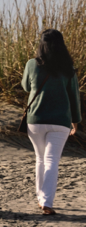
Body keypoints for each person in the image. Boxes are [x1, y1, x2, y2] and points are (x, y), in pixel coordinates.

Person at [21, 28, 81, 215]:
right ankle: (46, 201)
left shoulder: (32, 64)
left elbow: (25, 86)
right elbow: (74, 96)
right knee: (51, 160)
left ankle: (41, 197)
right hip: (60, 120)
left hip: (36, 119)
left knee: (40, 159)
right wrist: (76, 120)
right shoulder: (68, 69)